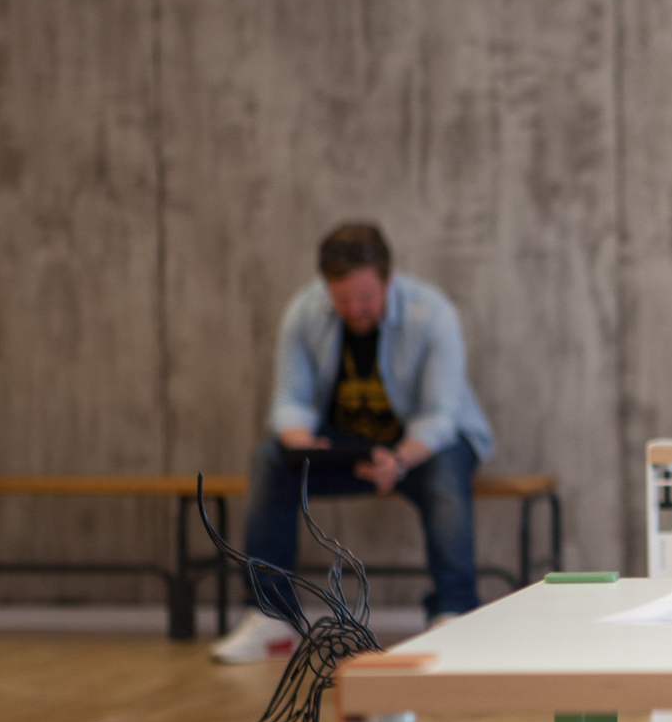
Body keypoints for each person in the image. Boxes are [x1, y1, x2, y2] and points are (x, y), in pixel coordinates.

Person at [212, 223, 497, 663]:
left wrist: (399, 460)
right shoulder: (304, 312)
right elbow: (289, 402)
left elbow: (440, 417)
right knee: (270, 459)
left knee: (446, 469)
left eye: (365, 298)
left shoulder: (432, 313)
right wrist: (303, 445)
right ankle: (272, 617)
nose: (354, 310)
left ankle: (453, 613)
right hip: (346, 448)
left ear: (388, 278)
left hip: (421, 449)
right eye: (342, 299)